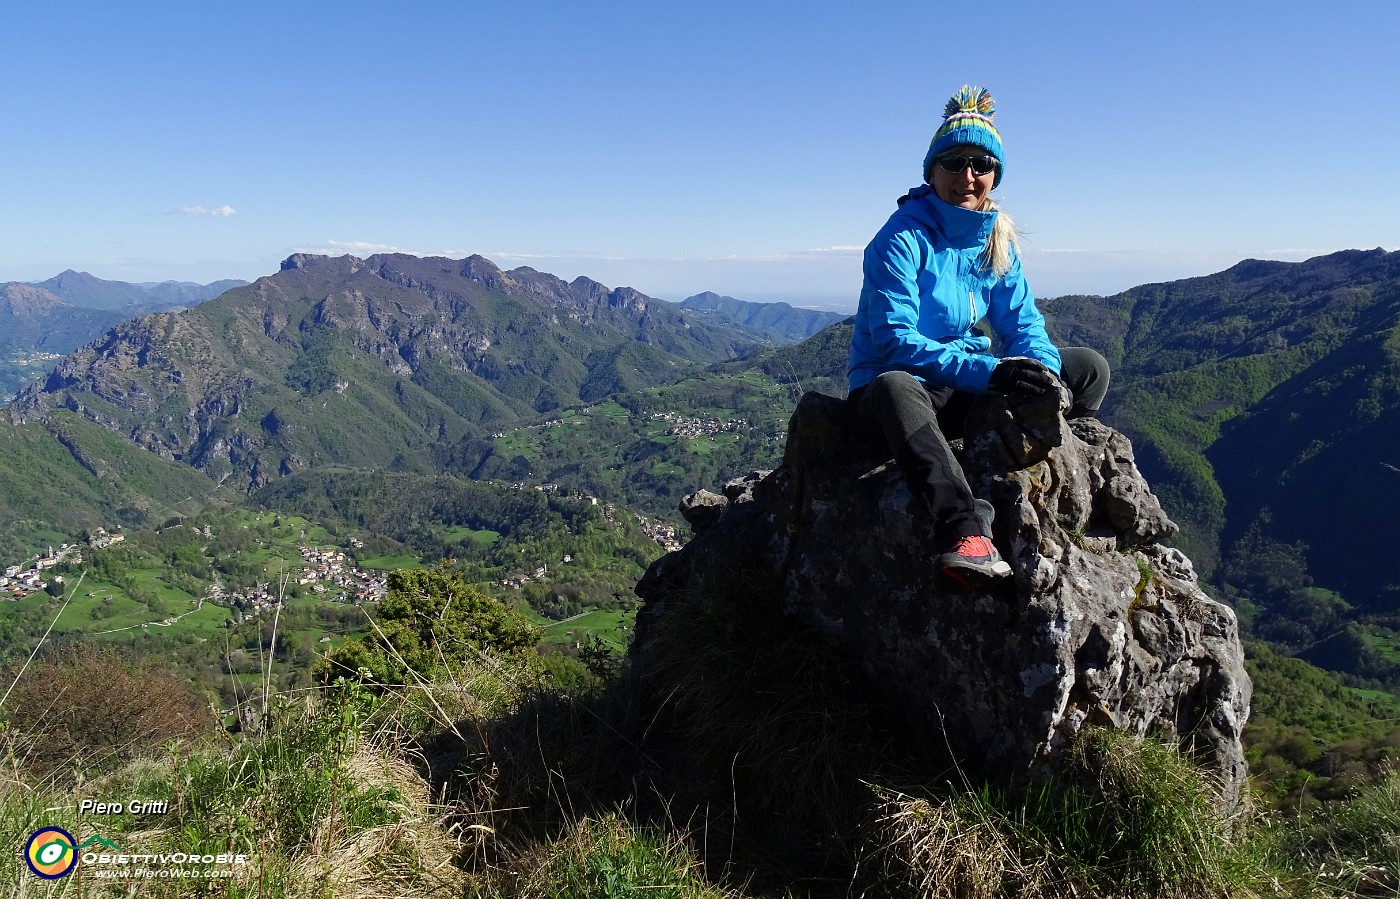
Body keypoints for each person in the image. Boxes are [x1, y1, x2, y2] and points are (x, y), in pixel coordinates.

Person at [846, 85, 1109, 588]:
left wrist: (1039, 371)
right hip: (894, 394)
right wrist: (993, 372)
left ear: (995, 175)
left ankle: (1068, 447)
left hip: (964, 384)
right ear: (932, 171)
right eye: (954, 162)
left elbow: (1023, 324)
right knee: (895, 386)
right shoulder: (900, 239)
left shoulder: (996, 239)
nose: (968, 176)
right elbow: (895, 341)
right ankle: (965, 531)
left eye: (981, 164)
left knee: (1088, 367)